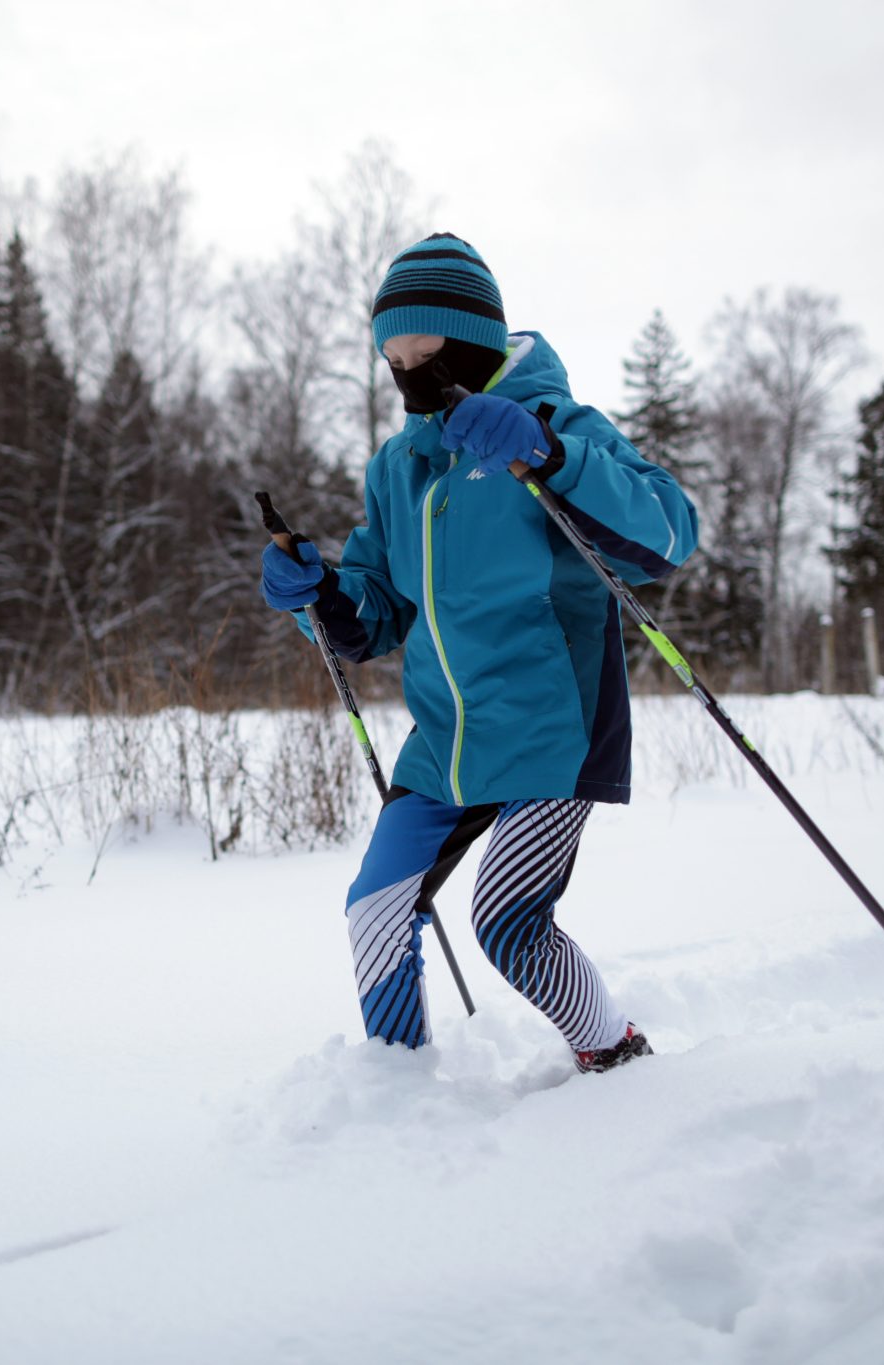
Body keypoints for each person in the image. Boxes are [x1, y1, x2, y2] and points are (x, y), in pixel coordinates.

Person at [259, 233, 700, 1072]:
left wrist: (549, 456)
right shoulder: (399, 467)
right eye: (391, 357)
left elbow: (668, 531)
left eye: (425, 352)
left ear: (473, 343)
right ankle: (395, 1091)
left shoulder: (556, 425)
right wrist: (315, 593)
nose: (408, 373)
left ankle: (614, 1052)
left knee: (506, 918)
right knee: (375, 907)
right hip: (444, 742)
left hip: (552, 725)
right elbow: (375, 618)